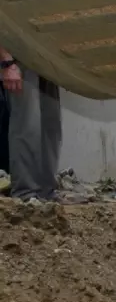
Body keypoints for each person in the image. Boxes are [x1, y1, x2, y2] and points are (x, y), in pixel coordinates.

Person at [2, 44, 62, 201]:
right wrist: (6, 61)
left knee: (51, 127)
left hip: (44, 55)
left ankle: (47, 192)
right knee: (27, 125)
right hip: (19, 56)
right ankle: (25, 193)